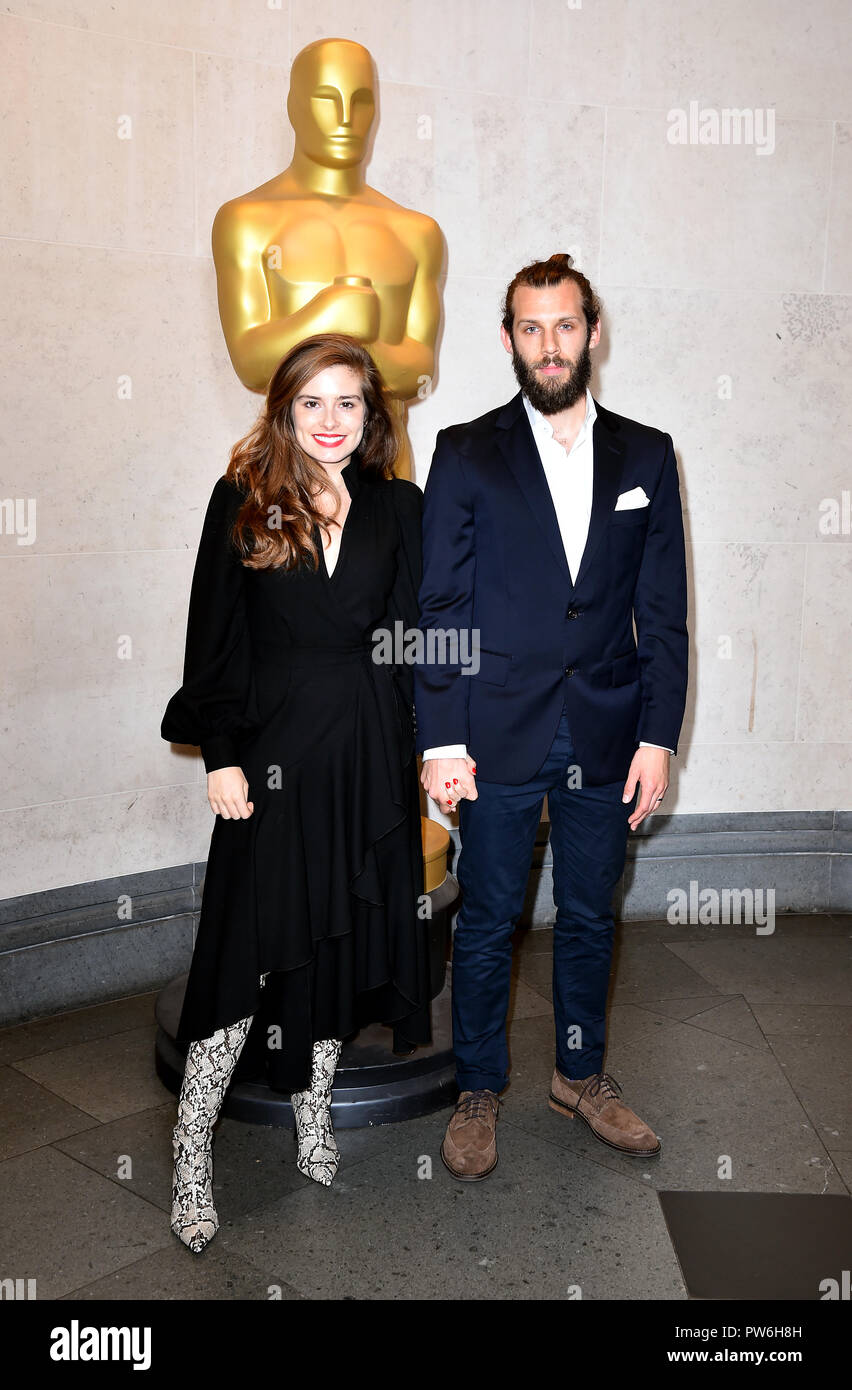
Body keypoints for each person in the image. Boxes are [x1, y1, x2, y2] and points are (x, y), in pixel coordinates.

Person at [415, 254, 688, 1180]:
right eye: (530, 328)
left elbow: (664, 613)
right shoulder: (465, 451)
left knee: (589, 915)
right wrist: (441, 740)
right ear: (508, 339)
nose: (549, 344)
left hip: (607, 728)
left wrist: (658, 737)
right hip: (494, 729)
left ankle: (579, 1075)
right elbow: (441, 609)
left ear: (592, 331)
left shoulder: (647, 454)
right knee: (489, 916)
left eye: (565, 324)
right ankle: (478, 1087)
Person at [161, 333, 430, 1251]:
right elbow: (211, 639)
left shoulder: (397, 505)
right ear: (284, 410)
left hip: (367, 756)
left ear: (371, 413)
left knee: (334, 945)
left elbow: (410, 638)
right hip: (271, 760)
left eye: (348, 402)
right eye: (311, 402)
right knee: (243, 953)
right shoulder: (243, 499)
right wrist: (220, 755)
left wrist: (438, 746)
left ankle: (313, 1113)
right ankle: (191, 1149)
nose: (330, 420)